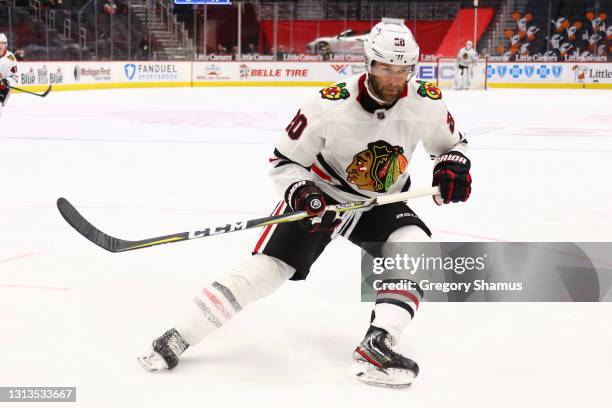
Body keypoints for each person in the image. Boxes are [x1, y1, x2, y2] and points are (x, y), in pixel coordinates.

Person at [138, 19, 472, 388]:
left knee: (415, 249)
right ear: (368, 63)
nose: (395, 79)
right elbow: (283, 160)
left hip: (381, 200)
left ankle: (378, 344)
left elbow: (454, 144)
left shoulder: (426, 101)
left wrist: (452, 166)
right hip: (322, 195)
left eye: (402, 70)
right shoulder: (327, 105)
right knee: (267, 271)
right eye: (386, 69)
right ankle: (178, 336)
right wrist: (302, 192)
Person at [0, 33, 18, 118]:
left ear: (5, 44)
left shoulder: (10, 58)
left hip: (3, 87)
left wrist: (7, 81)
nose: (0, 45)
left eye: (2, 43)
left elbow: (14, 77)